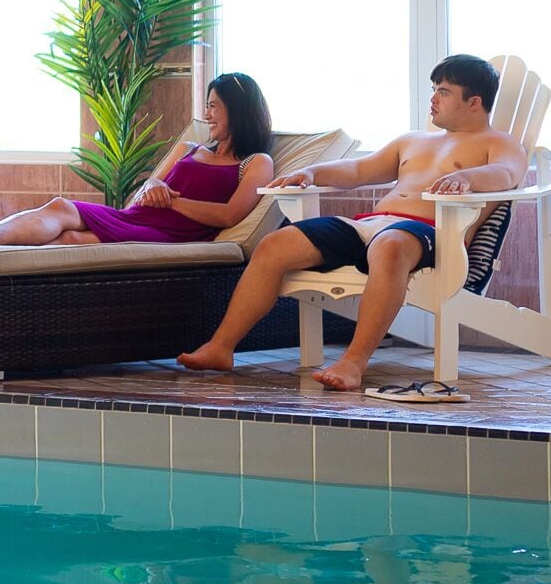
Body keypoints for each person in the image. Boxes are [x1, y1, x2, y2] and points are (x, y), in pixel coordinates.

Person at [178, 54, 523, 392]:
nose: (432, 99)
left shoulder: (499, 144)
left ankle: (354, 362)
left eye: (444, 91)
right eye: (433, 88)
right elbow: (359, 170)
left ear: (474, 102)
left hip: (431, 233)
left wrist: (468, 178)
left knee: (389, 246)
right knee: (274, 244)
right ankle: (221, 347)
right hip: (371, 226)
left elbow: (507, 173)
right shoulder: (414, 140)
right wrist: (311, 172)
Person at [0, 72, 278, 247]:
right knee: (61, 205)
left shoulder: (255, 162)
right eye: (207, 105)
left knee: (74, 239)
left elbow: (230, 215)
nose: (206, 114)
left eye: (213, 105)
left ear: (239, 110)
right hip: (134, 216)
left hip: (173, 235)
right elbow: (145, 189)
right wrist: (154, 186)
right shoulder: (189, 147)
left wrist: (171, 203)